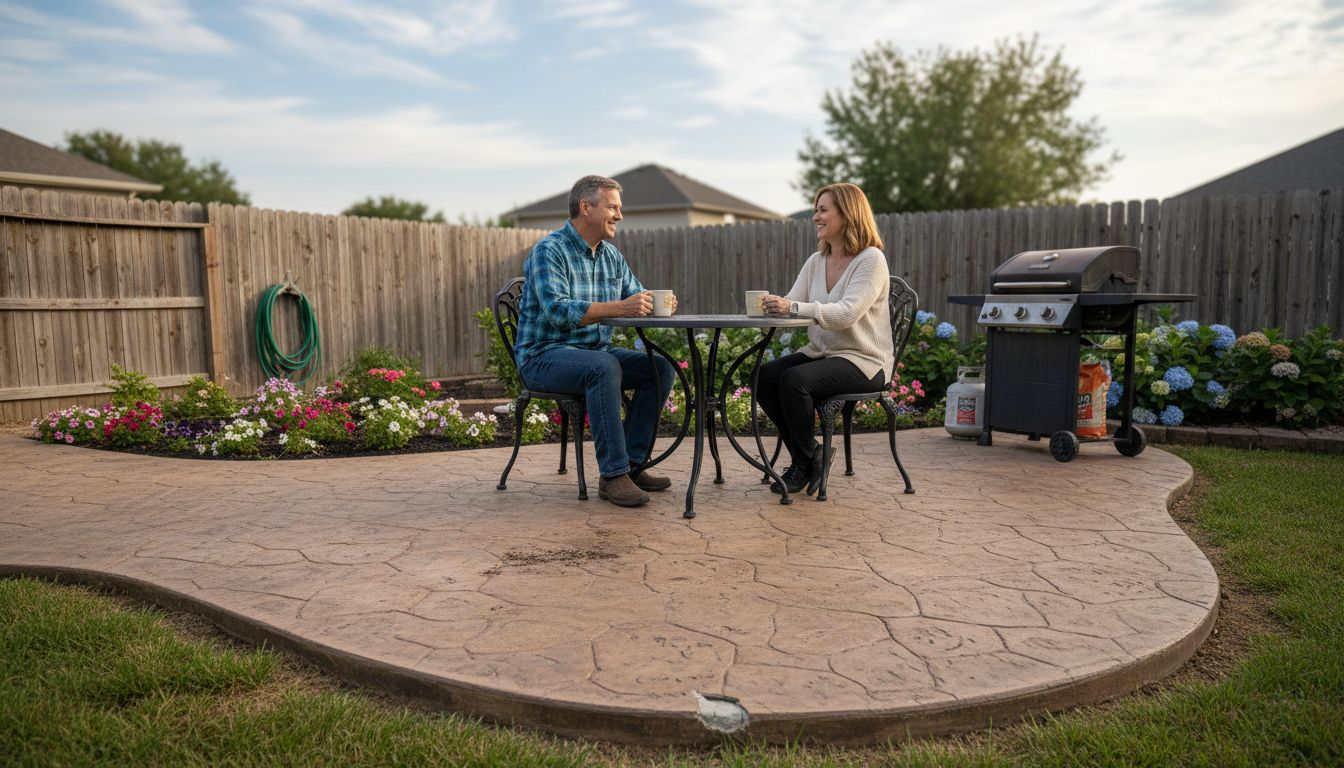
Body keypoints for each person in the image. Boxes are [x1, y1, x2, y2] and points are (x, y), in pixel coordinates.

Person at [512, 175, 677, 508]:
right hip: (543, 358)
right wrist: (621, 307)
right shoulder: (549, 251)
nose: (619, 215)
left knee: (658, 368)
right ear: (586, 208)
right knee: (604, 366)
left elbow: (636, 295)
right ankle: (613, 476)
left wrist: (658, 302)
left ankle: (632, 465)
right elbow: (558, 312)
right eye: (613, 207)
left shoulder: (611, 257)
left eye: (620, 208)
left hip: (594, 352)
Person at [757, 182, 894, 496]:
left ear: (847, 214)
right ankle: (811, 456)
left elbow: (846, 313)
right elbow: (794, 302)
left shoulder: (870, 260)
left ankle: (802, 465)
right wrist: (771, 305)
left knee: (794, 380)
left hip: (864, 361)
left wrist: (791, 306)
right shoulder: (816, 261)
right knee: (765, 377)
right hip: (823, 353)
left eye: (823, 210)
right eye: (816, 210)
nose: (815, 217)